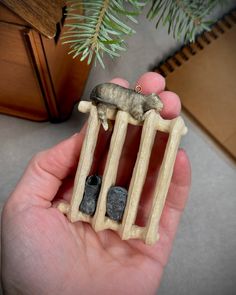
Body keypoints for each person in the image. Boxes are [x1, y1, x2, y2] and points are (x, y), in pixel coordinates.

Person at [1, 72, 191, 294]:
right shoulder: (138, 102)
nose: (157, 107)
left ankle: (101, 200)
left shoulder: (142, 103)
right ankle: (94, 197)